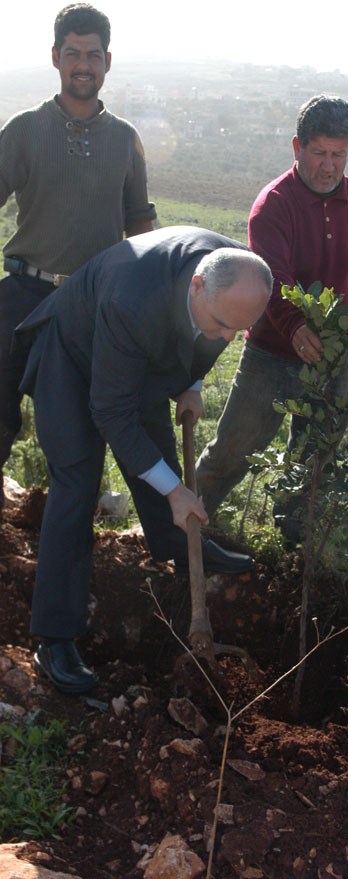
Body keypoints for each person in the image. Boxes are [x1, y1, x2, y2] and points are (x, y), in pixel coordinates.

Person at [15, 226, 273, 694]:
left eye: (239, 330)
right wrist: (176, 492)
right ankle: (56, 638)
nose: (226, 336)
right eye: (220, 324)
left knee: (158, 449)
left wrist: (192, 384)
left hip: (142, 350)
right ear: (196, 284)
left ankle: (177, 545)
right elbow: (111, 410)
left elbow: (213, 332)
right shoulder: (131, 300)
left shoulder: (237, 275)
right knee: (77, 483)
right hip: (72, 353)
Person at [196, 94, 348, 538]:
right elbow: (273, 280)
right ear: (297, 147)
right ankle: (190, 522)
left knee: (317, 457)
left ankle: (296, 543)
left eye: (338, 154)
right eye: (318, 153)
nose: (328, 165)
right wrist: (295, 327)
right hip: (272, 352)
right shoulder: (273, 205)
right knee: (234, 450)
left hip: (336, 352)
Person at [0, 3, 156, 515]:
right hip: (23, 292)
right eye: (73, 53)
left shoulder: (125, 139)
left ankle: (76, 523)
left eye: (93, 54)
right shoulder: (23, 129)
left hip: (89, 305)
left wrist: (150, 299)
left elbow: (139, 224)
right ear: (55, 57)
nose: (82, 64)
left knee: (81, 423)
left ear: (108, 61)